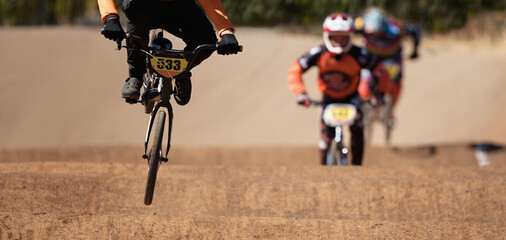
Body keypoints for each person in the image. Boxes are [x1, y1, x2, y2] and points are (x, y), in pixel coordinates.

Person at [287, 13, 390, 165]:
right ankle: (324, 169)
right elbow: (295, 70)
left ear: (351, 37)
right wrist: (301, 94)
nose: (339, 42)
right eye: (335, 37)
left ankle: (356, 167)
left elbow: (382, 72)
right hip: (328, 99)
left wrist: (380, 94)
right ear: (327, 36)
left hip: (352, 98)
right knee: (325, 139)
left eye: (344, 38)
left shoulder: (360, 54)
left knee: (357, 128)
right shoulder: (318, 53)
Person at [98, 0, 241, 105]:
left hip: (179, 9)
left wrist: (226, 31)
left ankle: (182, 71)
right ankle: (135, 76)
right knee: (134, 12)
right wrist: (110, 17)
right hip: (142, 7)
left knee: (206, 41)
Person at [354, 7, 421, 107]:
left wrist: (415, 50)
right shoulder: (360, 25)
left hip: (392, 58)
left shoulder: (396, 30)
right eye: (370, 33)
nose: (373, 35)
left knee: (395, 80)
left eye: (376, 32)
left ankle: (390, 110)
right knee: (364, 81)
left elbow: (415, 30)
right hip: (371, 58)